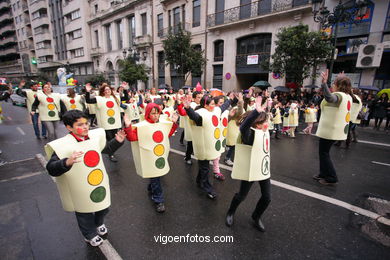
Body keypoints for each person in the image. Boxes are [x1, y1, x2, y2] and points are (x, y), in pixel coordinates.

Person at [45, 110, 126, 246]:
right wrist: (66, 162)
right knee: (84, 212)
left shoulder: (94, 137)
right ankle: (89, 234)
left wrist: (117, 142)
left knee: (103, 207)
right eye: (80, 125)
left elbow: (105, 149)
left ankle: (99, 222)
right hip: (80, 187)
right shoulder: (62, 145)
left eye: (86, 123)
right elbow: (51, 168)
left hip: (98, 182)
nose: (85, 127)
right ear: (69, 127)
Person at [226, 95, 271, 232]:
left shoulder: (263, 131)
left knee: (267, 197)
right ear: (256, 123)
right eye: (262, 122)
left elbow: (268, 116)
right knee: (241, 195)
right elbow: (243, 127)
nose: (266, 124)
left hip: (263, 169)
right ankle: (230, 212)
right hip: (250, 169)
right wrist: (256, 112)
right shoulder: (249, 134)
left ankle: (256, 216)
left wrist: (267, 106)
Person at [124, 103, 178, 213]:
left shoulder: (162, 124)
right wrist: (128, 126)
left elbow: (168, 134)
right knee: (156, 177)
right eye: (153, 113)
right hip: (148, 157)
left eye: (157, 113)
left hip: (159, 155)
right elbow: (132, 138)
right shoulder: (141, 126)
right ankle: (159, 200)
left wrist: (174, 123)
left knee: (155, 177)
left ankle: (151, 187)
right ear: (148, 114)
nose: (156, 116)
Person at [183, 93, 233, 199]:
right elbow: (194, 116)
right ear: (205, 106)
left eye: (214, 104)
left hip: (210, 146)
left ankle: (198, 181)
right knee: (205, 169)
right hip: (203, 148)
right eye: (212, 104)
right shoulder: (201, 114)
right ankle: (208, 189)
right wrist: (187, 108)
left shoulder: (214, 111)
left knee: (203, 167)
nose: (214, 106)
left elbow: (223, 107)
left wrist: (233, 99)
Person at [314, 70, 354, 185]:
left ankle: (331, 177)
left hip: (331, 130)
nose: (332, 85)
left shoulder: (339, 96)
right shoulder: (347, 96)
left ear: (338, 85)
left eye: (334, 83)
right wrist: (342, 77)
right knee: (323, 152)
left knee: (324, 153)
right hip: (335, 130)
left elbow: (330, 98)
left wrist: (324, 83)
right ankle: (323, 173)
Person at [85, 83, 128, 162]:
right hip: (105, 124)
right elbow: (88, 100)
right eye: (106, 90)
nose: (108, 91)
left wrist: (125, 89)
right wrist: (87, 92)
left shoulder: (115, 98)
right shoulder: (99, 99)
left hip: (115, 123)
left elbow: (126, 98)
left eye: (109, 89)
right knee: (110, 139)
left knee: (115, 139)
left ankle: (111, 152)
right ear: (103, 91)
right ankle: (111, 154)